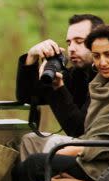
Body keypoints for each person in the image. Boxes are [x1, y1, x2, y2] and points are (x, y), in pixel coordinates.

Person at [12, 25, 109, 181]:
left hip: (106, 163)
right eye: (96, 56)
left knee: (33, 165)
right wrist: (34, 60)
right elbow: (28, 96)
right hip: (97, 154)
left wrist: (62, 151)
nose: (102, 62)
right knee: (29, 153)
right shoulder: (105, 81)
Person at [16, 14, 103, 158]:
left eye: (79, 41)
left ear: (100, 41)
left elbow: (79, 130)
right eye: (69, 43)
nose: (72, 49)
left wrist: (58, 87)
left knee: (30, 150)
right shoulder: (79, 73)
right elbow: (28, 97)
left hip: (96, 153)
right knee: (29, 139)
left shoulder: (106, 77)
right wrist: (31, 58)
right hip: (86, 148)